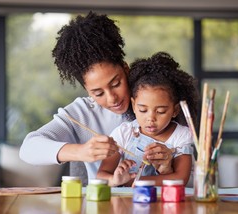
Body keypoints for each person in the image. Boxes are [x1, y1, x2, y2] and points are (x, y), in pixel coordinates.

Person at [19, 11, 174, 181]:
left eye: (116, 84)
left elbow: (190, 177)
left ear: (125, 68)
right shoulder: (83, 113)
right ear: (87, 90)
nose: (112, 98)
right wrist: (81, 151)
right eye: (98, 93)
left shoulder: (158, 102)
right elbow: (28, 148)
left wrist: (168, 165)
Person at [97, 51, 199, 187]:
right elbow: (101, 176)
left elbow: (180, 180)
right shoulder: (124, 133)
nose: (150, 118)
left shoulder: (181, 135)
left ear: (175, 110)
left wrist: (134, 181)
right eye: (143, 110)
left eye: (161, 111)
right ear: (133, 105)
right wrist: (116, 180)